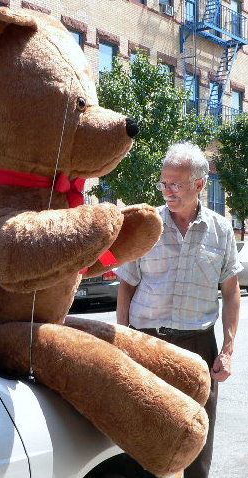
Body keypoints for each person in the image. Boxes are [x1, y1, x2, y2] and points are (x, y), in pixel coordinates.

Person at [116, 142, 242, 478]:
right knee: (143, 438)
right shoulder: (147, 226)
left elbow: (230, 292)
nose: (168, 191)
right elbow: (126, 285)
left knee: (197, 436)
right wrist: (124, 340)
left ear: (200, 185)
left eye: (177, 184)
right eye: (164, 183)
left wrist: (228, 350)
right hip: (147, 343)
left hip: (199, 347)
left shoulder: (220, 230)